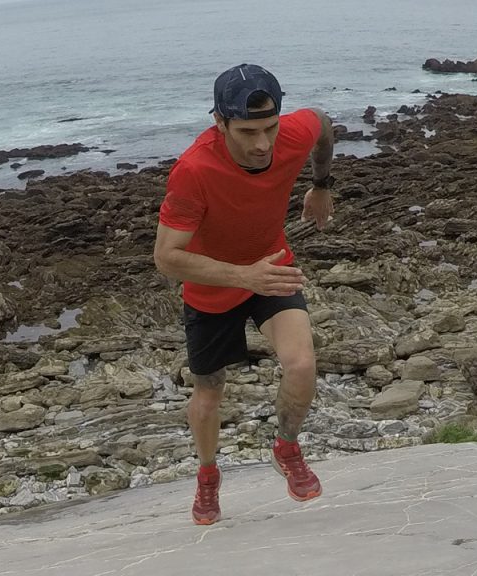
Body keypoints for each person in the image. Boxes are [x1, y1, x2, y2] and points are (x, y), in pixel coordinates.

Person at [153, 63, 335, 525]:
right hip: (211, 288)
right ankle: (208, 475)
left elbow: (323, 123)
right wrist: (242, 277)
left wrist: (320, 185)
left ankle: (286, 447)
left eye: (270, 128)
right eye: (247, 132)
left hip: (270, 269)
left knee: (302, 364)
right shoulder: (194, 170)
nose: (262, 144)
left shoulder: (293, 134)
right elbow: (166, 258)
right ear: (220, 122)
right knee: (209, 392)